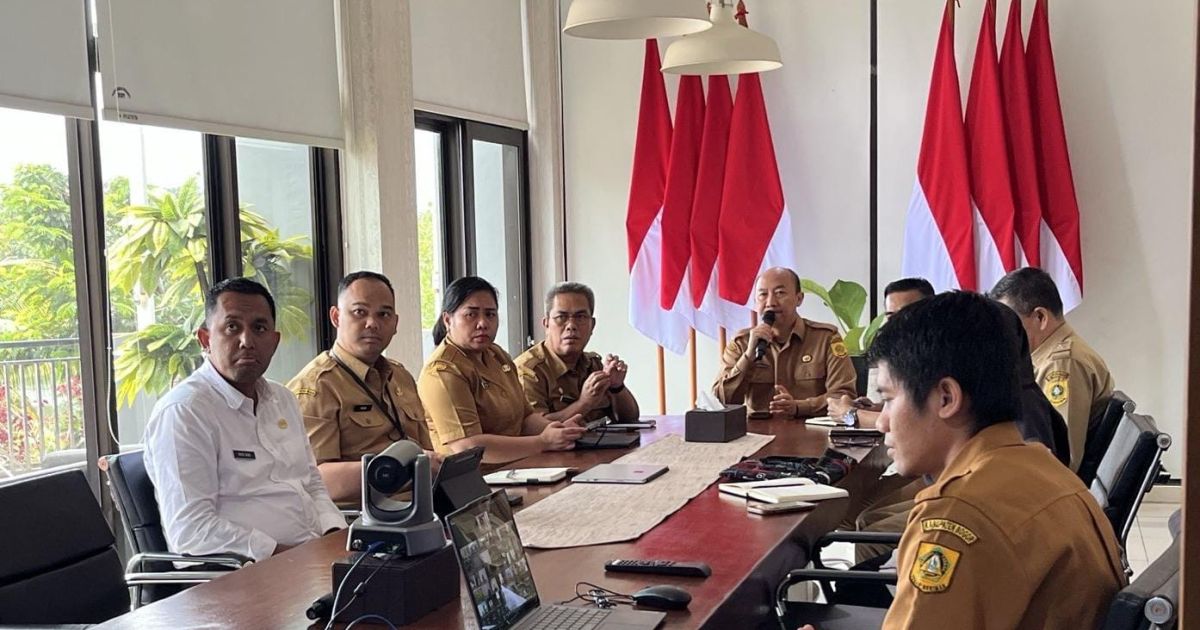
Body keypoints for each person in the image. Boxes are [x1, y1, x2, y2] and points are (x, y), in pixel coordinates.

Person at [800, 292, 1124, 629]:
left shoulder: (956, 520)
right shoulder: (1043, 468)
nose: (882, 422)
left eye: (889, 399)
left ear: (946, 397)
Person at [143, 278, 345, 561]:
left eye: (259, 328)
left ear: (274, 341)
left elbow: (310, 482)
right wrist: (284, 557)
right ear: (205, 339)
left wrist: (335, 535)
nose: (247, 341)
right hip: (241, 576)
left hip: (308, 560)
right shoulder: (185, 412)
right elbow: (191, 531)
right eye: (232, 327)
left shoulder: (282, 399)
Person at [288, 271, 437, 504]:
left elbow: (427, 451)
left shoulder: (400, 376)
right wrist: (398, 468)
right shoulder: (317, 386)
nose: (372, 323)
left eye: (383, 314)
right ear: (336, 317)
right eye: (359, 312)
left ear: (395, 323)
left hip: (421, 505)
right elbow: (315, 480)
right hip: (361, 519)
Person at [418, 276, 586, 464]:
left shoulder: (496, 355)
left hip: (518, 467)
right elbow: (468, 446)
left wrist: (558, 430)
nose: (483, 323)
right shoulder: (442, 371)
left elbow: (526, 418)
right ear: (448, 320)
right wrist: (543, 442)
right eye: (471, 314)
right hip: (473, 480)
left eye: (490, 314)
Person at [991, 267, 1114, 471]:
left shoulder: (1062, 364)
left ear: (1040, 317)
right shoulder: (1047, 358)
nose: (1005, 333)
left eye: (1011, 322)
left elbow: (1061, 458)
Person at [713, 267, 856, 418]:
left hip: (811, 434)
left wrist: (799, 407)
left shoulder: (826, 338)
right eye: (762, 295)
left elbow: (843, 395)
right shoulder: (742, 343)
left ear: (799, 299)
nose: (770, 302)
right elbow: (721, 401)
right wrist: (748, 356)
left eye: (780, 293)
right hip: (757, 436)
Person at [515, 282, 639, 424]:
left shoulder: (592, 364)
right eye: (562, 317)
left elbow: (630, 418)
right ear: (546, 324)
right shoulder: (529, 371)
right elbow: (534, 428)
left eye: (580, 317)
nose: (571, 326)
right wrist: (584, 403)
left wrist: (617, 387)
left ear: (592, 325)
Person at [828, 277, 934, 423]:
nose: (897, 323)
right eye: (891, 316)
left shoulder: (939, 352)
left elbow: (915, 421)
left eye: (906, 314)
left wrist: (848, 415)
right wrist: (878, 407)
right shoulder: (897, 351)